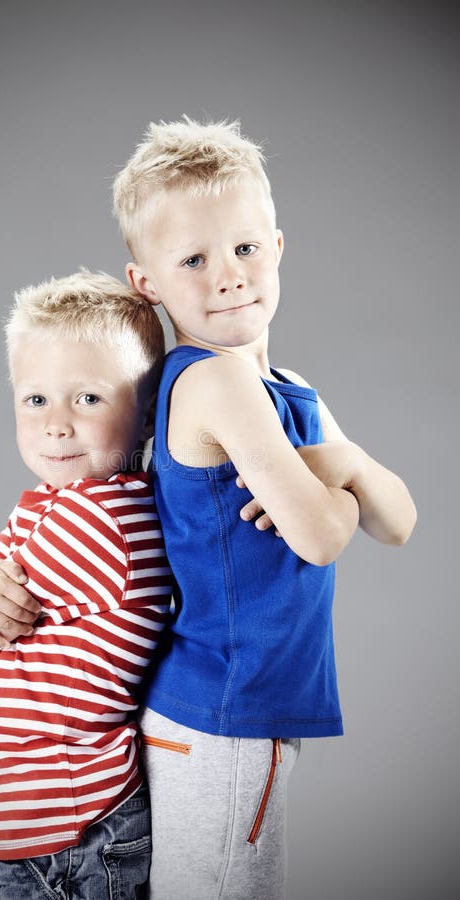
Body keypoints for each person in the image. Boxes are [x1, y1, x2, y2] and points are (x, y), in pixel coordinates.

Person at [110, 117, 417, 900]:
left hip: (245, 715)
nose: (228, 275)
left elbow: (399, 521)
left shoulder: (291, 390)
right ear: (148, 283)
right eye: (193, 259)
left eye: (245, 247)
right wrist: (337, 484)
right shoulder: (213, 381)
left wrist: (339, 463)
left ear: (277, 248)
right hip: (223, 716)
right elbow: (319, 535)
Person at [0, 270, 173, 899]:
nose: (56, 424)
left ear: (147, 412)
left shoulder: (105, 518)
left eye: (88, 399)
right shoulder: (50, 503)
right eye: (35, 399)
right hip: (38, 831)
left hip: (74, 833)